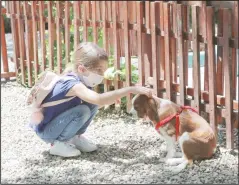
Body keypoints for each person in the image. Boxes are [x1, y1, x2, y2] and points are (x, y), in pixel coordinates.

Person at [33, 42, 152, 157]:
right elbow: (99, 99)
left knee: (91, 105)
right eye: (99, 70)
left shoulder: (82, 79)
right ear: (82, 69)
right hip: (47, 131)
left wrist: (111, 98)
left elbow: (96, 103)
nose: (102, 74)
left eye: (103, 70)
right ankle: (58, 144)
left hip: (57, 124)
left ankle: (75, 137)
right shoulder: (73, 84)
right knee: (82, 111)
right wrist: (129, 89)